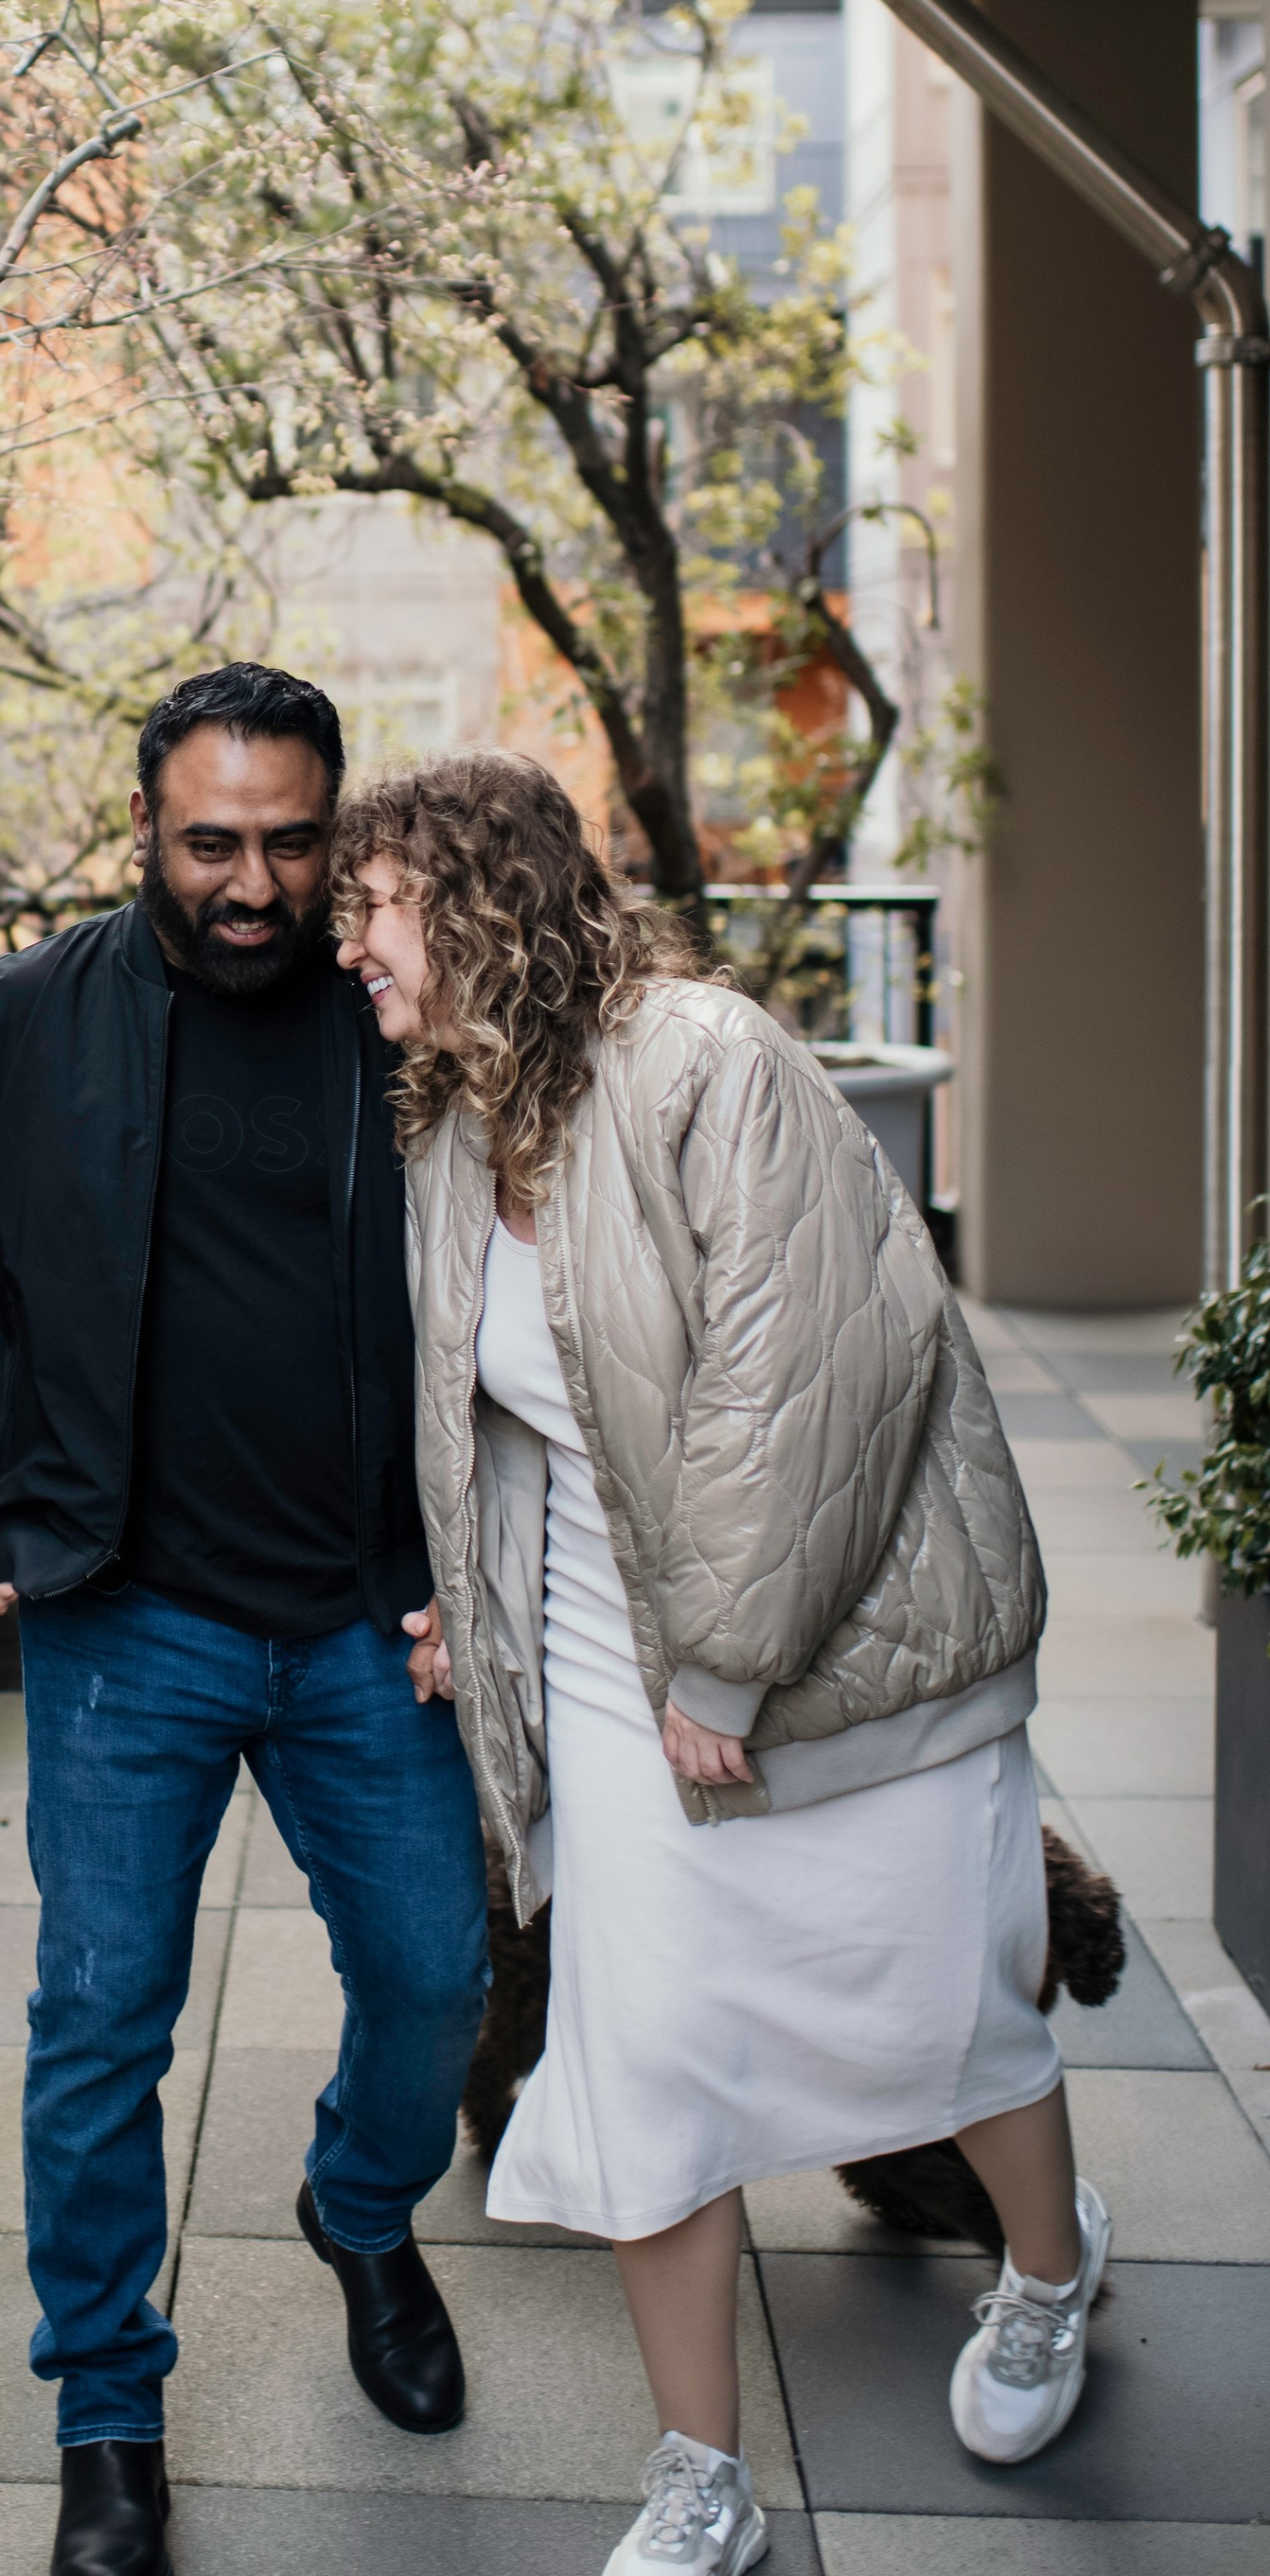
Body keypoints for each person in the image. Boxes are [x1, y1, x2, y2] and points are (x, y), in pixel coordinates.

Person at [333, 748, 1101, 2576]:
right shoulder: (446, 1126)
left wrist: (726, 1679)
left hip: (837, 1654)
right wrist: (480, 1609)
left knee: (948, 2019)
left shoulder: (711, 1061)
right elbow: (495, 1422)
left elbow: (812, 1381)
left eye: (374, 906)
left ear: (477, 898)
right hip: (611, 1674)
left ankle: (1054, 2282)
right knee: (647, 2061)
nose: (347, 943)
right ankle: (703, 2477)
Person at [0, 664, 492, 2576]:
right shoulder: (26, 1020)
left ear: (332, 832)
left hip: (375, 1610)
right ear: (146, 834)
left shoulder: (399, 1025)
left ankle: (361, 2209)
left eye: (290, 841)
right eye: (212, 842)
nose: (253, 881)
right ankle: (105, 2402)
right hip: (125, 1612)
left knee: (436, 1977)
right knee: (100, 2019)